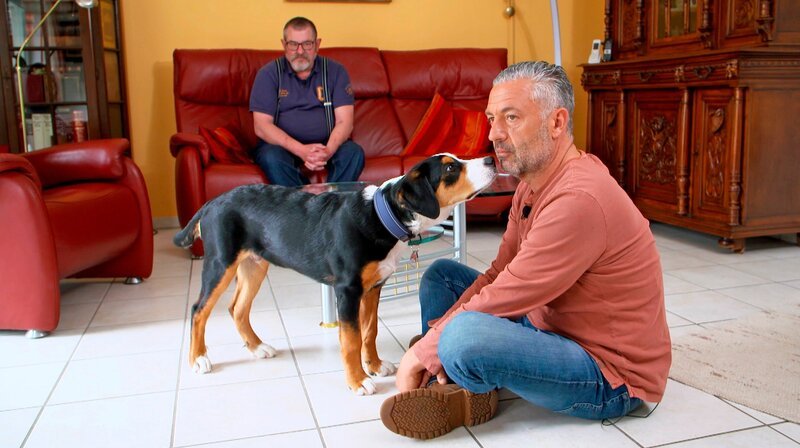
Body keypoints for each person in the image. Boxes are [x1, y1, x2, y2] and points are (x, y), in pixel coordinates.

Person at [380, 61, 672, 440]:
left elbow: (510, 291)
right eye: (491, 119)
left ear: (556, 122)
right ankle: (455, 381)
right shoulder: (533, 184)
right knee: (442, 276)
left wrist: (424, 350)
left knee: (462, 336)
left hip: (608, 375)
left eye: (511, 117)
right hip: (549, 325)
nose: (495, 134)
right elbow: (498, 273)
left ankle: (453, 372)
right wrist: (435, 346)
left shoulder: (579, 198)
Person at [249, 17, 364, 186]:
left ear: (317, 44)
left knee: (354, 152)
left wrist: (328, 151)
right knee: (270, 157)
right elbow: (261, 126)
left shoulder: (336, 71)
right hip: (281, 147)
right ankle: (307, 206)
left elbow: (345, 122)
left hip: (326, 145)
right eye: (293, 44)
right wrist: (301, 150)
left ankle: (330, 206)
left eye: (307, 44)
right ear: (284, 45)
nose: (300, 51)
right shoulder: (268, 74)